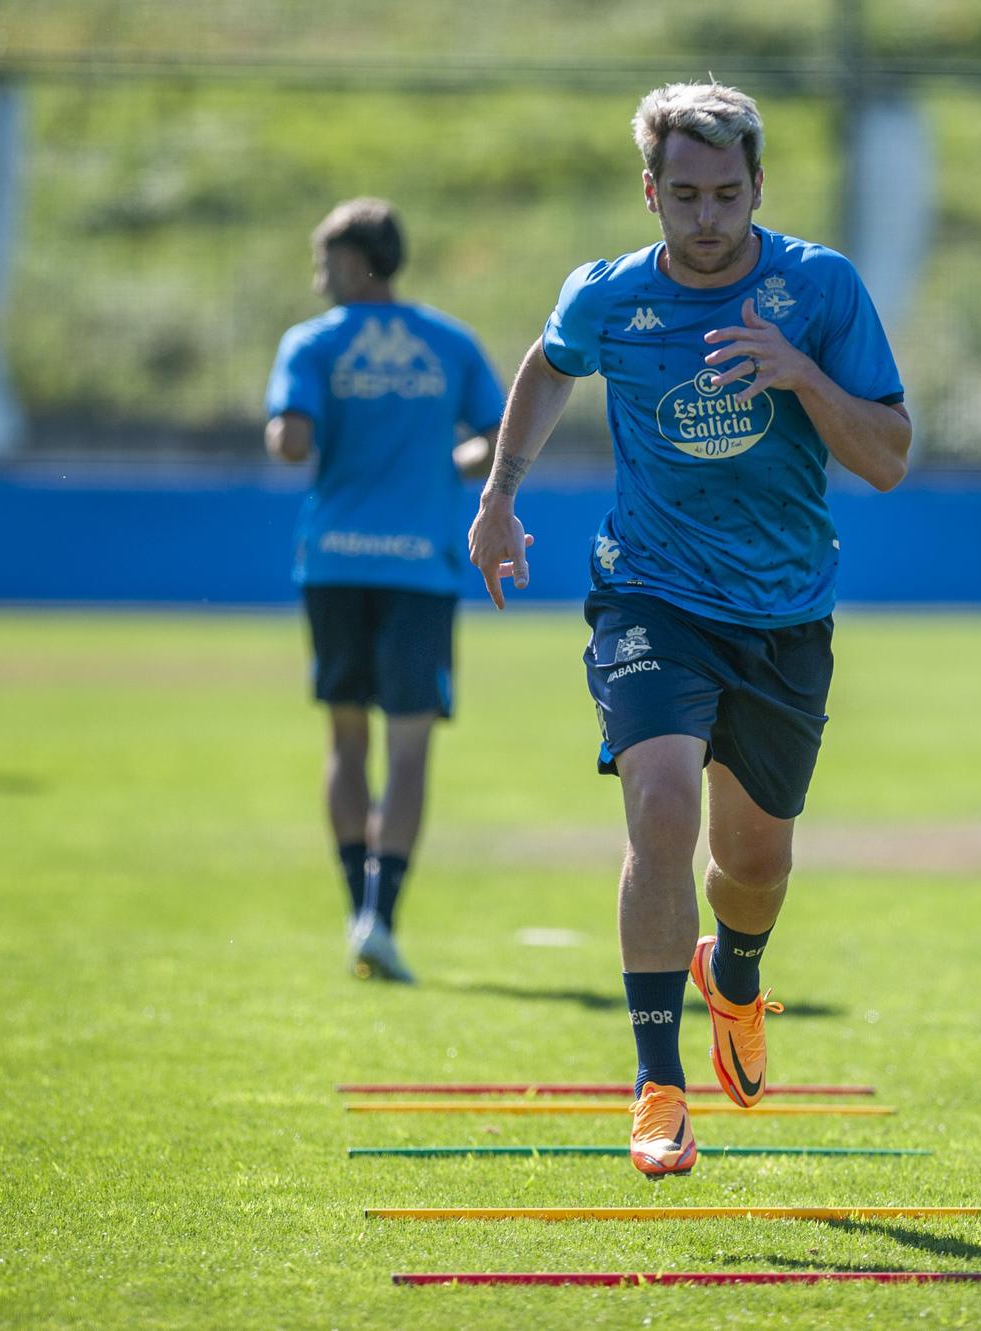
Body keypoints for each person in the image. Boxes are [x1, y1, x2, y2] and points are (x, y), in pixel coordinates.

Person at [467, 83, 910, 1175]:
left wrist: (799, 372)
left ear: (757, 185)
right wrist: (498, 496)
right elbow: (547, 363)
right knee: (660, 808)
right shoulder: (608, 295)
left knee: (752, 863)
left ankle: (739, 970)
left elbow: (888, 458)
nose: (705, 218)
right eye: (683, 195)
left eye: (725, 194)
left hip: (783, 612)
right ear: (650, 191)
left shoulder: (818, 289)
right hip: (650, 593)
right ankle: (656, 1084)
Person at [266, 198, 506, 983]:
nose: (316, 274)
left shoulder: (312, 343)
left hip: (334, 561)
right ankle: (382, 913)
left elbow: (289, 442)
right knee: (409, 747)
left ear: (358, 261)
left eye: (324, 258)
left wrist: (305, 427)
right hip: (418, 566)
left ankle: (354, 908)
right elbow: (501, 434)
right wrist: (450, 463)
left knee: (346, 739)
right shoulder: (449, 342)